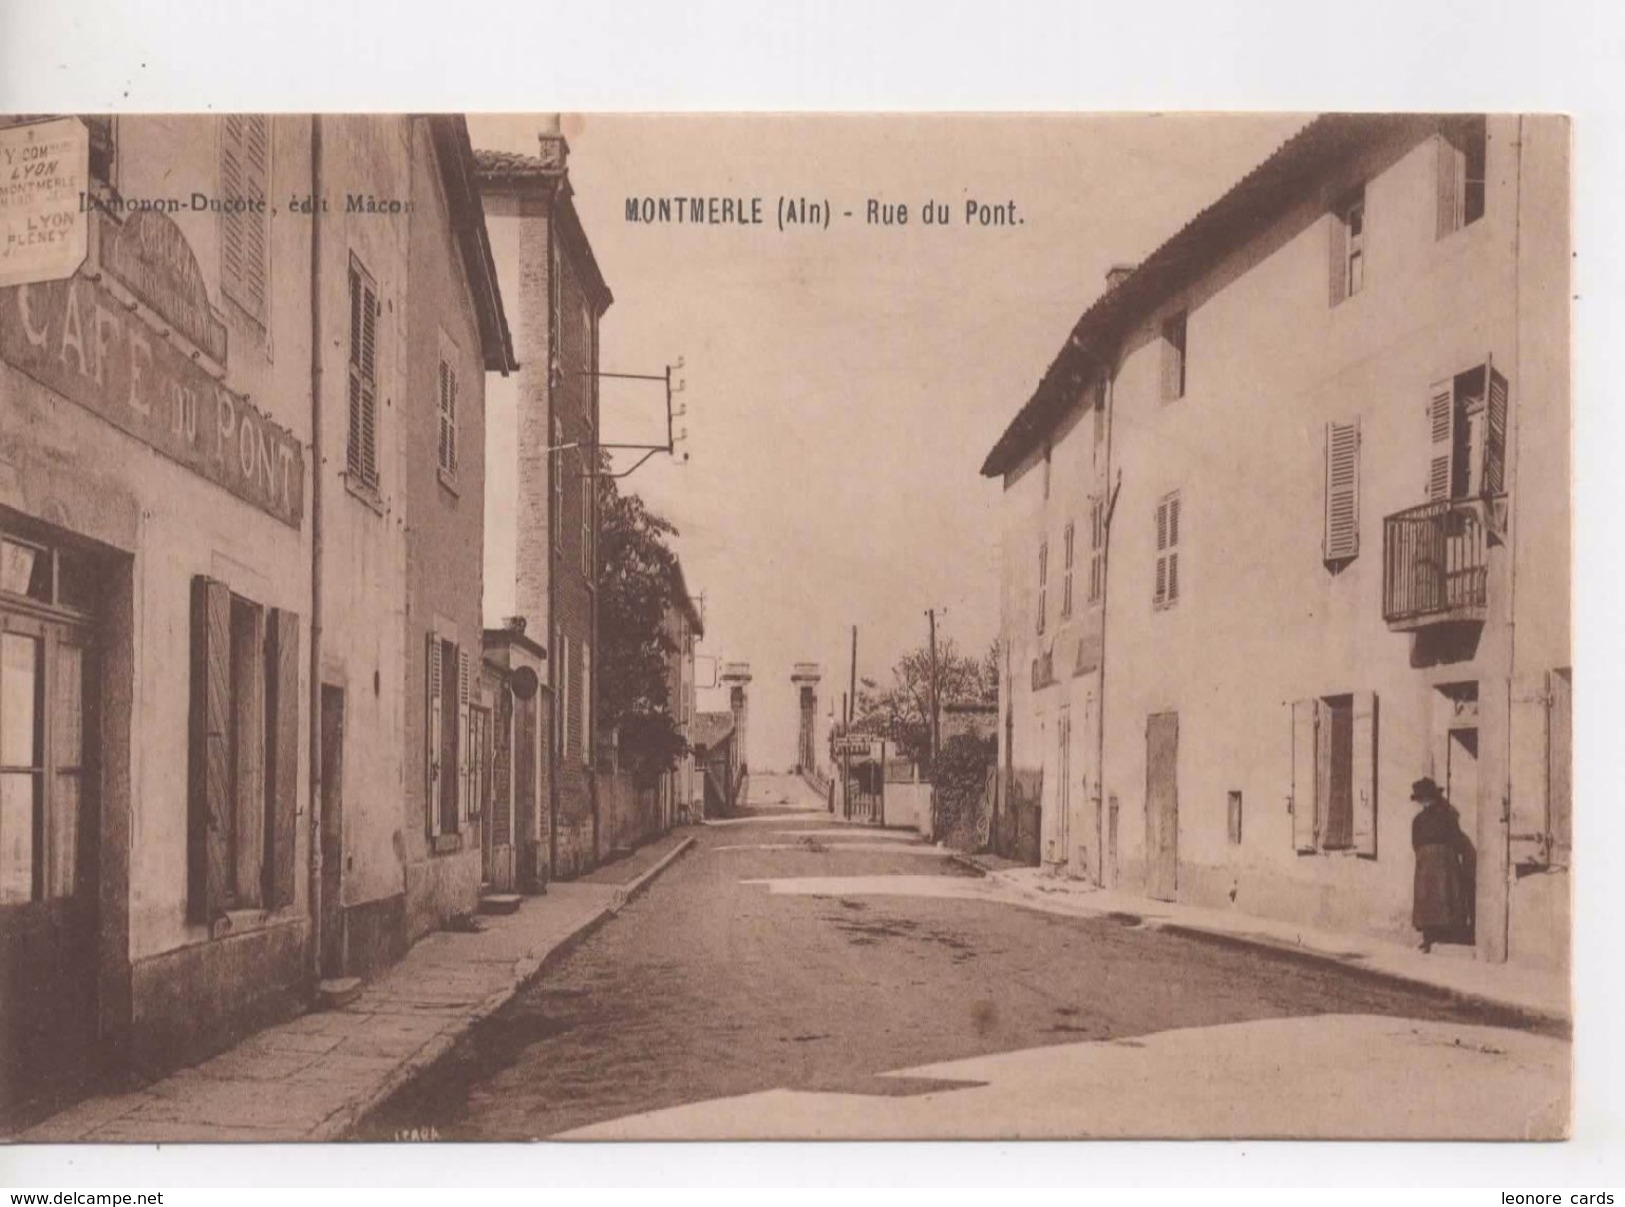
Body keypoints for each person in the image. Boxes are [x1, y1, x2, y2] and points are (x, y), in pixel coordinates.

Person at [1410, 776, 1471, 953]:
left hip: (1427, 859)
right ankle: (1446, 934)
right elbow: (1457, 840)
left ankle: (1429, 937)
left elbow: (1415, 843)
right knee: (1445, 895)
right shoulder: (1448, 816)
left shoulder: (1419, 819)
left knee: (1427, 896)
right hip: (1444, 859)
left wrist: (1425, 855)